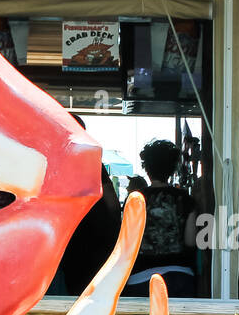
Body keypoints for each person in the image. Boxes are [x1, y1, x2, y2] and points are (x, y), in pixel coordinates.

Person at [57, 114, 122, 297]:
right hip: (96, 235)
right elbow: (113, 204)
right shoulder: (92, 161)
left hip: (69, 238)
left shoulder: (55, 160)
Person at [127, 138, 198, 298]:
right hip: (180, 275)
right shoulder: (186, 200)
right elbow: (190, 241)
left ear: (147, 168)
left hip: (141, 277)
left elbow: (127, 243)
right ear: (173, 169)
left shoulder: (135, 199)